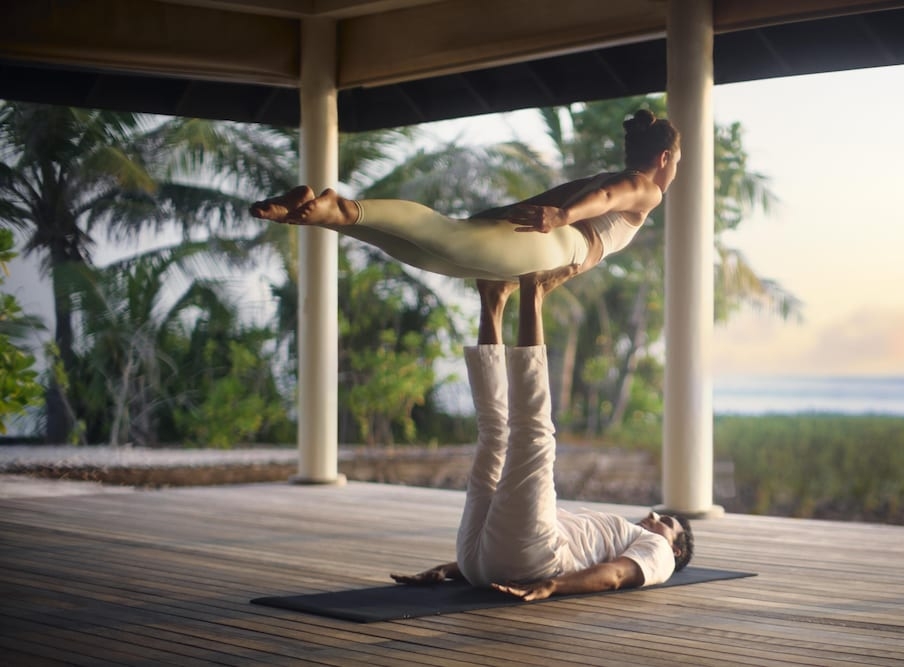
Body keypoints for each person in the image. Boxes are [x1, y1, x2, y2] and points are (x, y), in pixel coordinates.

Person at [389, 267, 693, 601]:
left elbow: (616, 575)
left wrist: (552, 586)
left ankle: (533, 288)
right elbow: (511, 532)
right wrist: (449, 570)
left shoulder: (660, 554)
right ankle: (493, 298)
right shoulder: (628, 532)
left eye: (665, 521)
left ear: (676, 550)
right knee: (495, 431)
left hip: (529, 560)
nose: (652, 515)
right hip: (480, 560)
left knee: (534, 433)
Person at [250, 110, 680, 282]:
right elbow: (605, 197)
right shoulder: (646, 189)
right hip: (557, 239)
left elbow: (579, 193)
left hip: (542, 238)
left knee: (426, 253)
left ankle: (318, 212)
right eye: (677, 161)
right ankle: (339, 205)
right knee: (443, 235)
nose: (675, 170)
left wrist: (503, 215)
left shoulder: (615, 175)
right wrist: (561, 218)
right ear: (663, 157)